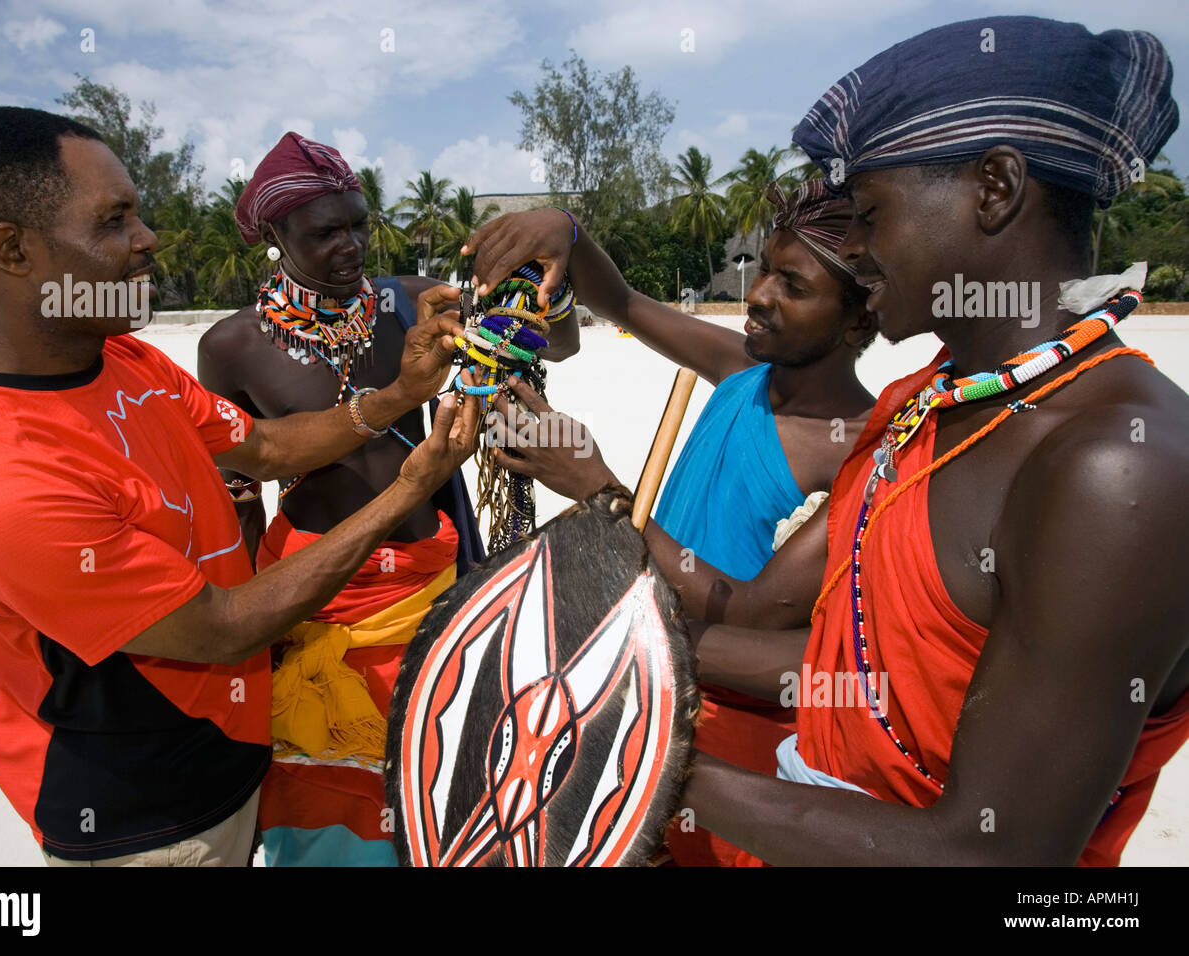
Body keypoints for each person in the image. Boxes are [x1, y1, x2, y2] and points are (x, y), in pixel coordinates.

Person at [483, 15, 1189, 865]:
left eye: (868, 212)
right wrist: (598, 649)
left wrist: (627, 755)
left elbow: (989, 854)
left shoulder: (1117, 467)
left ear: (995, 190)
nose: (855, 246)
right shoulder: (920, 408)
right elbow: (841, 663)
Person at [0, 107, 477, 866]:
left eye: (138, 212)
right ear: (14, 249)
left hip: (240, 754)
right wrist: (410, 490)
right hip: (153, 822)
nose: (148, 240)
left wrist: (398, 395)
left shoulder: (125, 364)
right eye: (115, 221)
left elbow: (267, 445)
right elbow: (224, 626)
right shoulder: (0, 478)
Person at [464, 180, 876, 864]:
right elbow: (619, 301)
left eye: (792, 285)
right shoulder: (743, 370)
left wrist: (599, 490)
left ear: (859, 322)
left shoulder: (862, 450)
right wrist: (564, 230)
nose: (760, 294)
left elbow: (753, 612)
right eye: (765, 268)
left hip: (731, 733)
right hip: (643, 685)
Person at [196, 133, 577, 866]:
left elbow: (554, 343)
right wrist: (252, 625)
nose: (352, 245)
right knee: (327, 806)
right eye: (326, 232)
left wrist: (556, 243)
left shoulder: (410, 302)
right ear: (274, 237)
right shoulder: (231, 347)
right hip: (313, 595)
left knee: (436, 781)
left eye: (360, 224)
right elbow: (238, 496)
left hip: (427, 577)